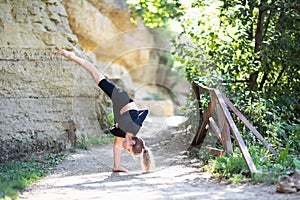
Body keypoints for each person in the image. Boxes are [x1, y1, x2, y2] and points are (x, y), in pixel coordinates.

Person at [55, 49, 152, 172]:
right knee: (97, 76)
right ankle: (71, 56)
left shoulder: (122, 133)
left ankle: (116, 166)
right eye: (128, 149)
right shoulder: (135, 125)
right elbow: (146, 111)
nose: (125, 149)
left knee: (117, 141)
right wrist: (135, 111)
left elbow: (115, 130)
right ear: (132, 143)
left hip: (119, 112)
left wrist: (122, 121)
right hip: (121, 98)